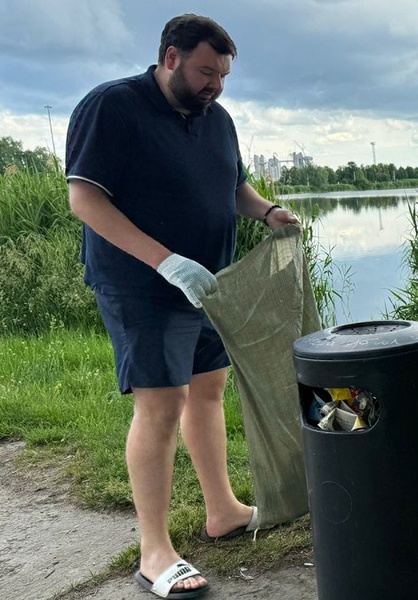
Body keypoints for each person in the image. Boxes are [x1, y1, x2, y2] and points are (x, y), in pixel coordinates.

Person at [65, 14, 300, 599]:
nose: (214, 84)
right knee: (161, 404)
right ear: (171, 58)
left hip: (208, 285)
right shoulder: (112, 107)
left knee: (208, 390)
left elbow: (234, 187)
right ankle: (154, 552)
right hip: (142, 285)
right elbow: (84, 198)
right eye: (204, 71)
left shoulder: (215, 119)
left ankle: (220, 510)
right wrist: (164, 261)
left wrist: (268, 212)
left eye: (222, 75)